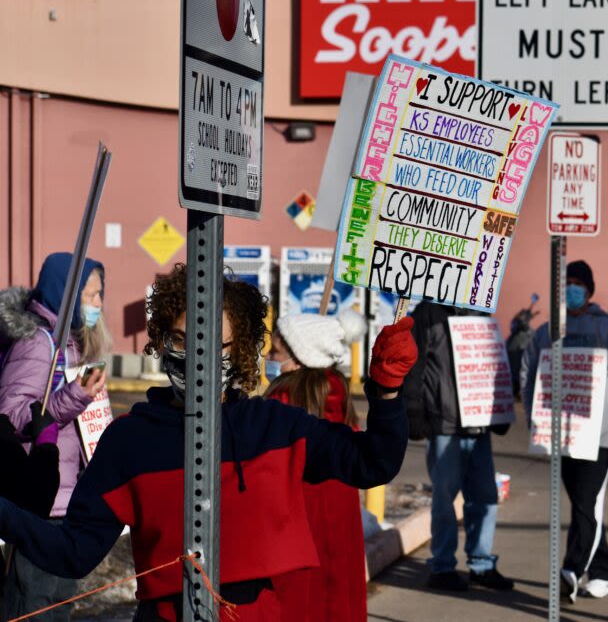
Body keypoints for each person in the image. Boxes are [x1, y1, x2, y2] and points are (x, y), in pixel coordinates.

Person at [0, 264, 416, 621]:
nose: (195, 354)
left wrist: (387, 390)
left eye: (212, 341)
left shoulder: (275, 426)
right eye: (181, 339)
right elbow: (74, 551)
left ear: (240, 354)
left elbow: (373, 462)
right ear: (162, 340)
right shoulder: (129, 440)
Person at [0, 252, 111, 621]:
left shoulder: (71, 344)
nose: (99, 304)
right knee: (32, 605)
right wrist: (75, 397)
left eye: (100, 294)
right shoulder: (37, 343)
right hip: (38, 504)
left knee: (57, 604)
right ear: (67, 295)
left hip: (66, 503)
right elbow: (10, 415)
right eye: (91, 295)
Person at [521, 260, 608, 602]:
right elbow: (529, 374)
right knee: (584, 507)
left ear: (589, 289)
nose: (571, 288)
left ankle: (570, 571)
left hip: (599, 437)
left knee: (586, 505)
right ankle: (604, 573)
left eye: (577, 283)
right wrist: (534, 419)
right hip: (559, 435)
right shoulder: (547, 331)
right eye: (565, 282)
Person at [264, 310, 368, 622]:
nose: (268, 356)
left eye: (276, 351)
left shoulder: (284, 403)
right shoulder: (336, 395)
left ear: (299, 359)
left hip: (294, 533)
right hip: (338, 530)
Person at [403, 302, 515, 592]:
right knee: (444, 496)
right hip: (444, 423)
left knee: (485, 496)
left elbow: (493, 363)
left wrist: (500, 408)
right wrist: (414, 412)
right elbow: (413, 368)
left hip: (478, 422)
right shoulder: (427, 315)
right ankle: (442, 566)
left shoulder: (481, 314)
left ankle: (481, 564)